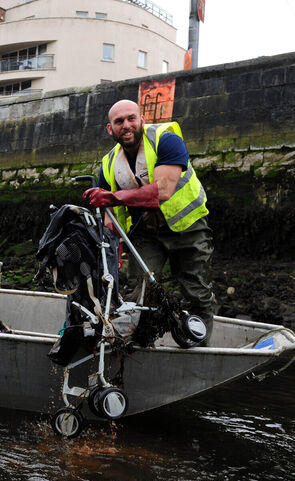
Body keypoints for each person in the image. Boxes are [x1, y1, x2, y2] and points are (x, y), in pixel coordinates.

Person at [83, 99, 215, 342]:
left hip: (188, 227)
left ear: (142, 119)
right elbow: (110, 213)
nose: (126, 125)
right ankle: (143, 342)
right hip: (147, 233)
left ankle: (199, 343)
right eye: (119, 121)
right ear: (110, 129)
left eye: (131, 118)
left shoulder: (166, 139)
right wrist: (116, 248)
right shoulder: (109, 163)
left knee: (197, 290)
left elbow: (162, 191)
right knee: (141, 291)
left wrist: (113, 196)